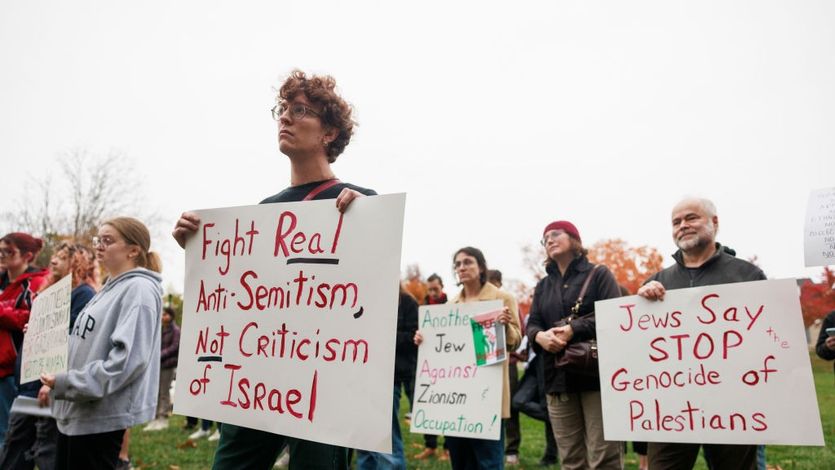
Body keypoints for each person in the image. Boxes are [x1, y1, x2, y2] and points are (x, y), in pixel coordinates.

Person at [173, 69, 374, 470]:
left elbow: (367, 301)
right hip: (257, 381)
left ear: (329, 132)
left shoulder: (360, 204)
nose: (285, 117)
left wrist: (365, 221)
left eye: (300, 110)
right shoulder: (263, 214)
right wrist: (199, 251)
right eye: (281, 109)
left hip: (323, 387)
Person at [637, 197, 765, 470]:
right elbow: (639, 347)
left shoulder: (748, 276)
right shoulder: (657, 282)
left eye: (691, 218)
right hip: (671, 409)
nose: (683, 226)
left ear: (714, 222)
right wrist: (639, 305)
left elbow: (766, 342)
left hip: (733, 406)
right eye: (676, 222)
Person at [38, 217, 164, 469]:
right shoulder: (107, 290)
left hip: (99, 419)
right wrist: (41, 337)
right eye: (98, 239)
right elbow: (87, 341)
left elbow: (126, 362)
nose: (99, 245)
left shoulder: (139, 289)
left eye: (108, 240)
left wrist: (68, 382)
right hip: (78, 412)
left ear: (133, 250)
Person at [526, 221, 623, 470]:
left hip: (596, 378)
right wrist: (539, 337)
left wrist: (572, 329)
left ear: (574, 239)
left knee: (604, 457)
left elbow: (614, 314)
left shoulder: (599, 274)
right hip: (557, 378)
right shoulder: (542, 286)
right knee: (570, 459)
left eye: (555, 234)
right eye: (545, 237)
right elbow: (533, 323)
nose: (549, 239)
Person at [414, 247, 521, 470]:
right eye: (457, 264)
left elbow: (516, 341)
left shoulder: (501, 298)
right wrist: (424, 339)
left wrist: (504, 328)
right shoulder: (450, 307)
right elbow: (444, 352)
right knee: (461, 463)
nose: (462, 267)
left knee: (488, 463)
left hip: (486, 398)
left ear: (481, 267)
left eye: (468, 262)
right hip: (456, 399)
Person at [0, 241, 96, 470]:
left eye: (62, 258)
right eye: (55, 256)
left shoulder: (83, 294)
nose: (53, 261)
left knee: (46, 452)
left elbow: (74, 340)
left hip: (47, 387)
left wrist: (54, 381)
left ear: (77, 264)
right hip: (28, 386)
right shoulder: (49, 293)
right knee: (15, 452)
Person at [355, 285, 417, 469]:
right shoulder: (364, 298)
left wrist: (384, 335)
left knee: (385, 435)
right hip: (362, 375)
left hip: (390, 377)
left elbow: (415, 338)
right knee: (363, 437)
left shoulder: (407, 302)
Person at [0, 233, 49, 450]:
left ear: (28, 256)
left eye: (8, 251)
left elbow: (32, 319)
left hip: (13, 371)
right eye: (0, 250)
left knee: (8, 436)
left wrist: (1, 311)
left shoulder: (36, 283)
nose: (2, 255)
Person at [415, 273, 449, 461]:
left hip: (448, 365)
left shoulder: (452, 306)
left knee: (449, 405)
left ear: (442, 287)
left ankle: (448, 448)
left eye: (436, 288)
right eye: (430, 289)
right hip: (426, 365)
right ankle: (430, 445)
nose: (433, 292)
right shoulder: (422, 309)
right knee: (427, 405)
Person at [145, 306, 180, 431]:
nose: (163, 317)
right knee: (156, 392)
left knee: (164, 392)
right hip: (157, 365)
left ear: (171, 316)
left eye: (166, 314)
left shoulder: (175, 330)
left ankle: (163, 418)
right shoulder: (160, 329)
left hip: (168, 365)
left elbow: (175, 347)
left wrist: (160, 354)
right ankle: (154, 418)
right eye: (162, 314)